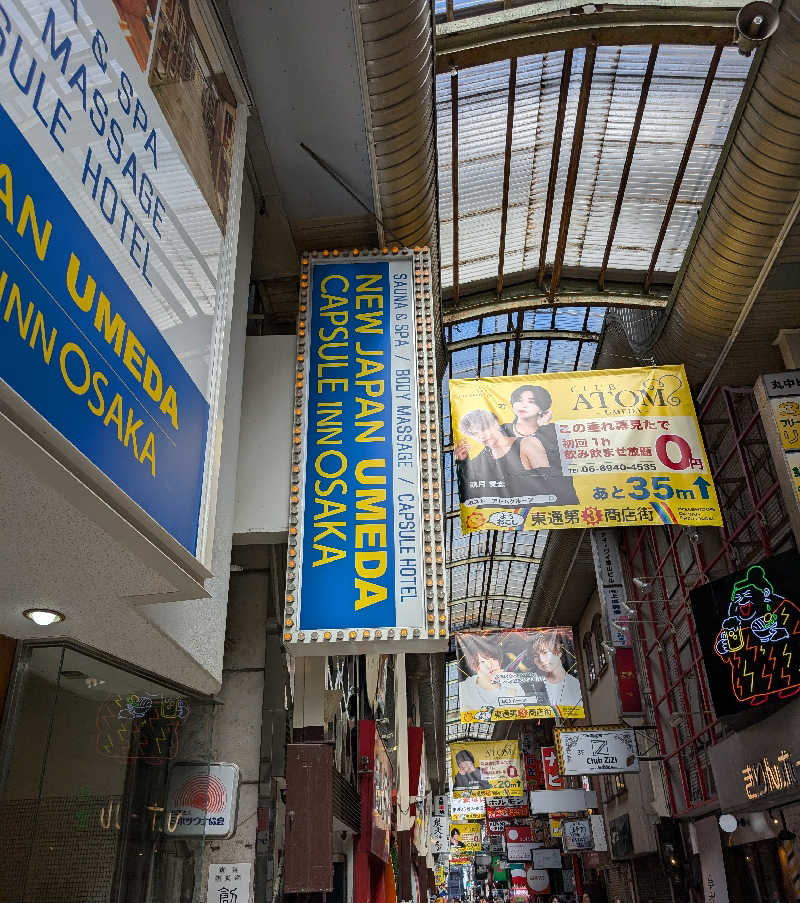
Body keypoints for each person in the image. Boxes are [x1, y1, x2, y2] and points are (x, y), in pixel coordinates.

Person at [501, 384, 579, 504]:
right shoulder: (502, 430)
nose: (523, 405)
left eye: (531, 401)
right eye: (519, 400)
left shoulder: (554, 430)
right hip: (515, 500)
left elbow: (564, 462)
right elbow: (486, 464)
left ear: (542, 407)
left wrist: (543, 428)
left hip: (556, 498)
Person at [455, 409, 548, 501]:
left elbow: (548, 481)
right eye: (474, 433)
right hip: (498, 512)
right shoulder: (481, 460)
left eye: (483, 429)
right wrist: (463, 461)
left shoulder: (527, 443)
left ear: (496, 423)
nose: (481, 436)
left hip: (532, 508)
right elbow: (468, 494)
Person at [458, 640, 524, 710]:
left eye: (494, 659)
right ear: (474, 666)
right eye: (483, 662)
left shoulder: (510, 679)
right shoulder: (465, 688)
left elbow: (521, 710)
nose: (491, 665)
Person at [531, 629, 583, 714]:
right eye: (536, 655)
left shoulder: (576, 684)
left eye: (545, 652)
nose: (541, 659)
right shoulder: (535, 687)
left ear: (559, 652)